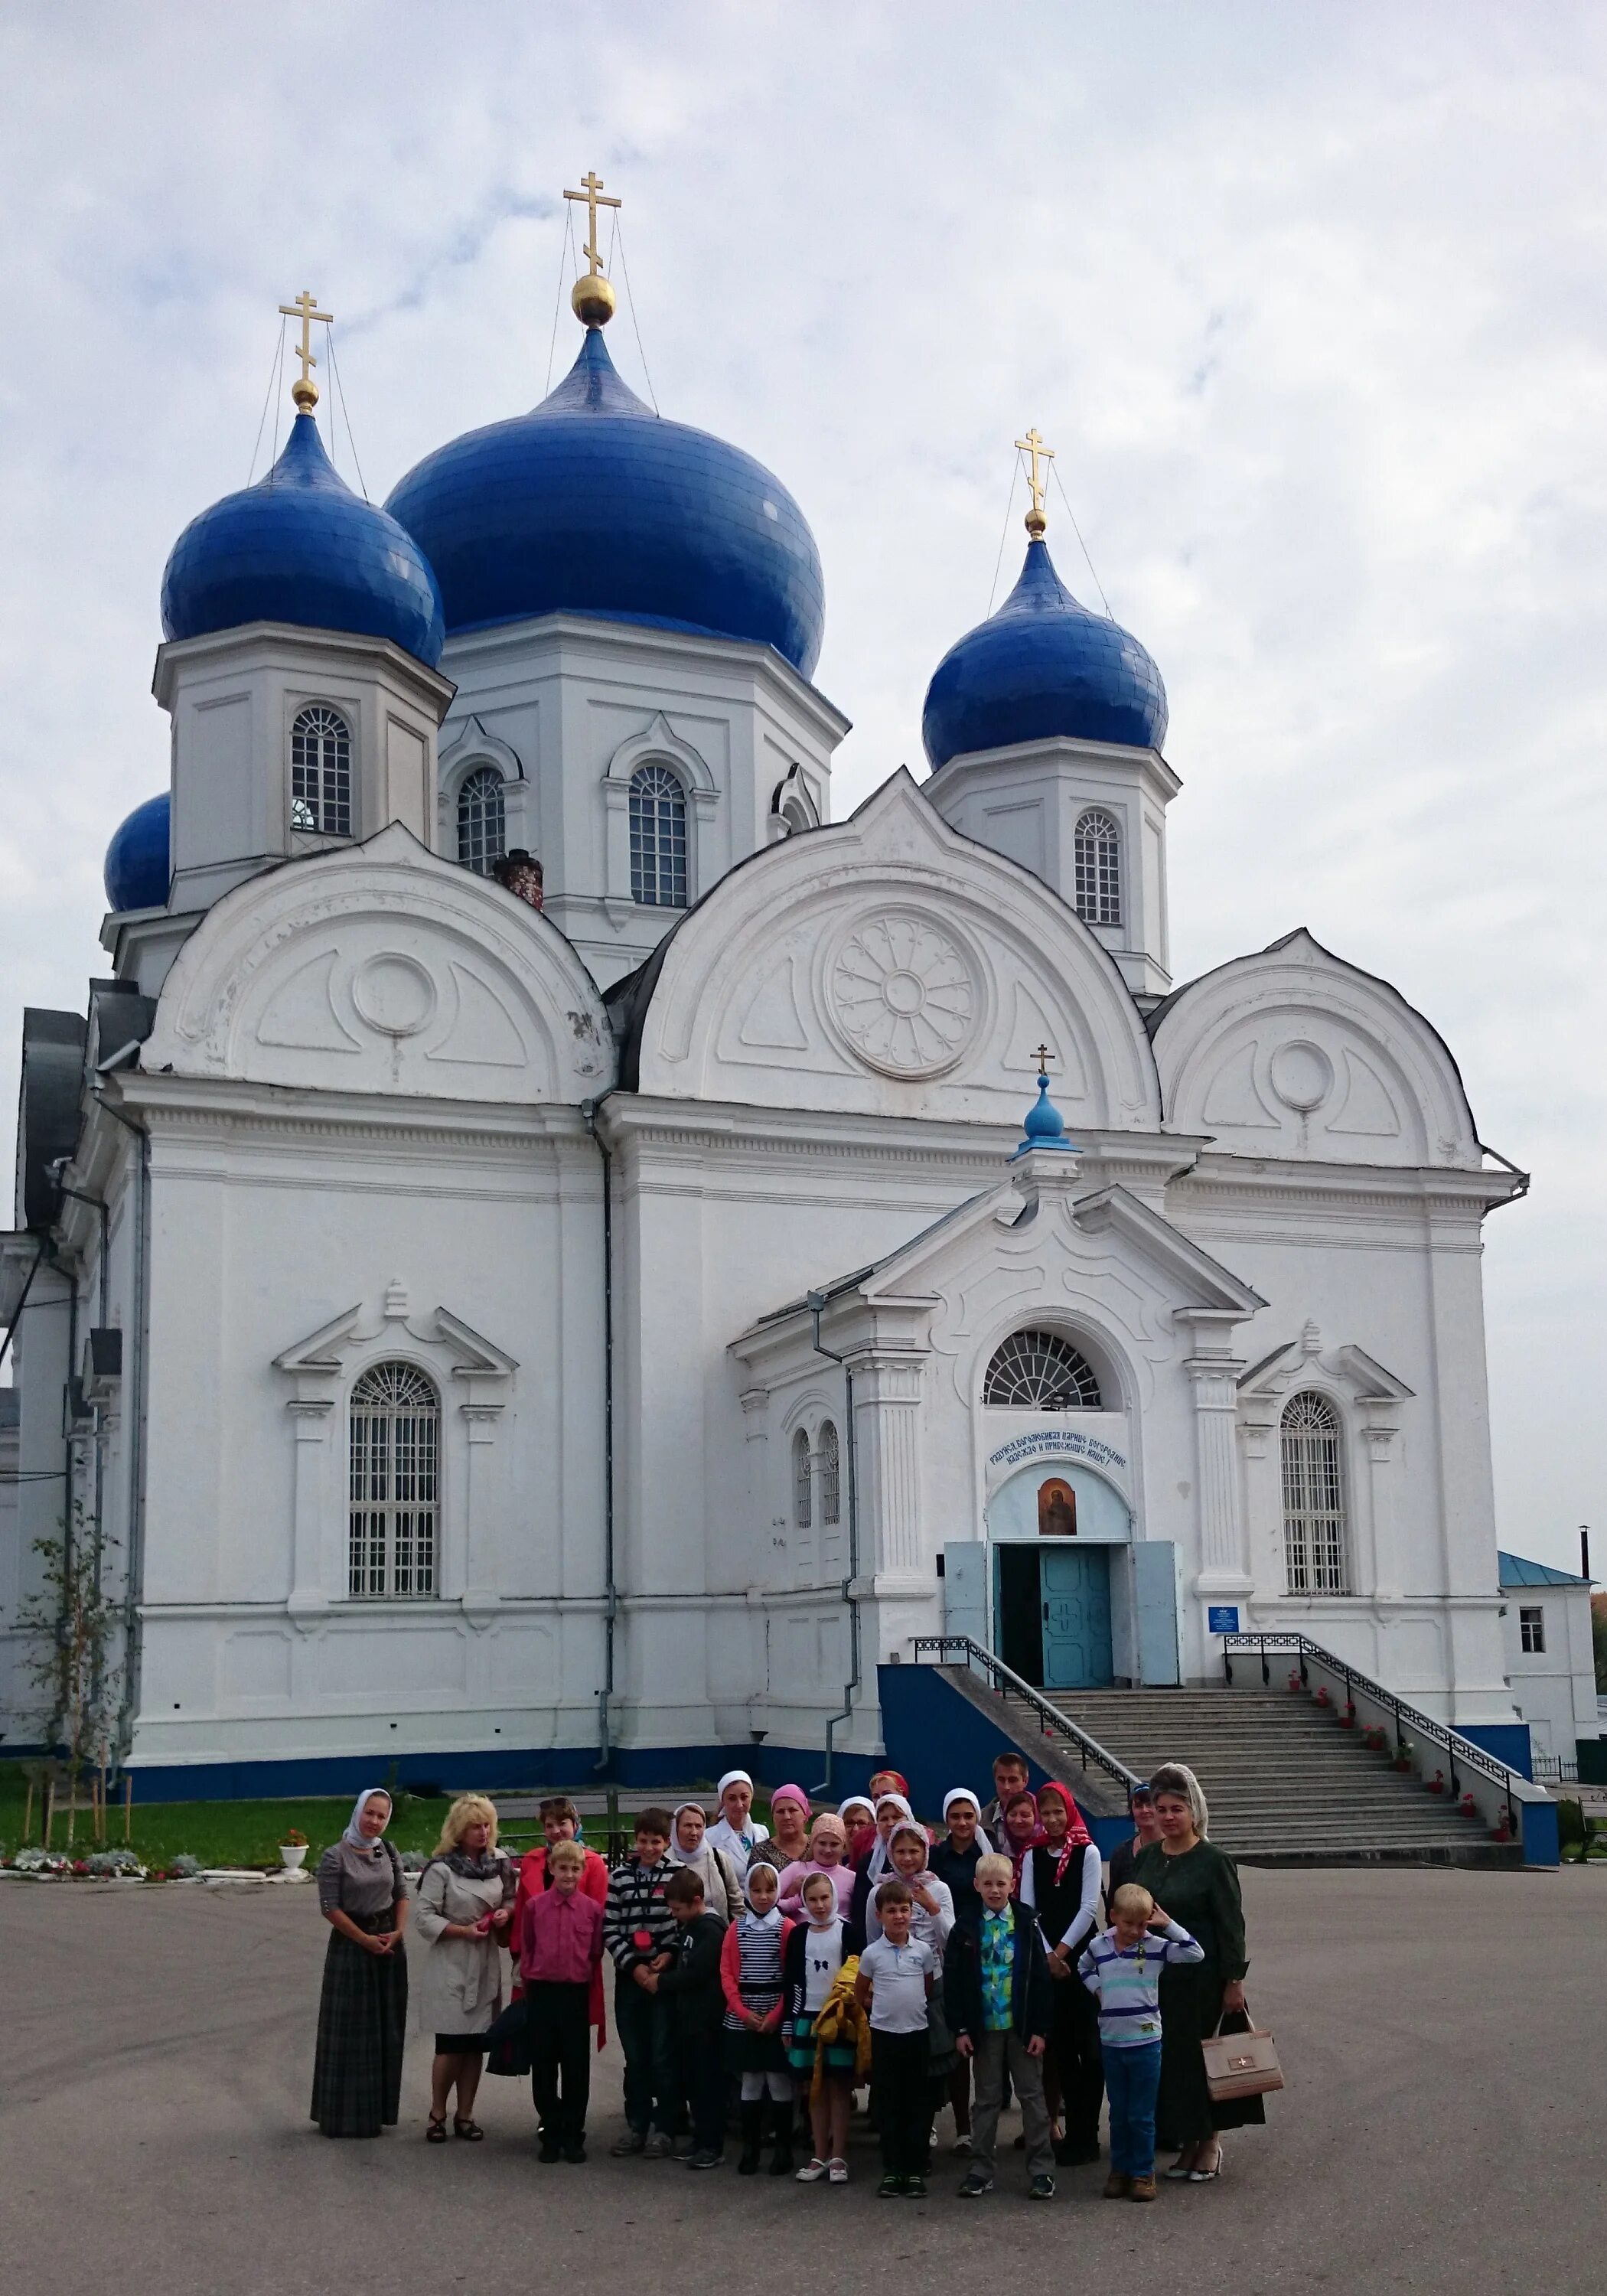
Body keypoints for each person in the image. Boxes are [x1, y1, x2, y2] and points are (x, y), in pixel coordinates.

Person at [1131, 1762, 1259, 2182]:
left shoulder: (1212, 1860)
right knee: (1174, 2063)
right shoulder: (1149, 1857)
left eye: (1177, 1809)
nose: (1168, 1817)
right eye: (1161, 1808)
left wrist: (1234, 1980)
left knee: (1205, 2059)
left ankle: (1211, 2144)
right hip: (1159, 1979)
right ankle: (1188, 2143)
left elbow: (1231, 1924)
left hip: (1203, 1980)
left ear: (1194, 1811)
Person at [1078, 1883, 1204, 2201]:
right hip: (1112, 2041)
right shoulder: (1100, 1946)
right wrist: (1098, 1990)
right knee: (1119, 2112)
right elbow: (1082, 1968)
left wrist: (1168, 1924)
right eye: (1128, 1923)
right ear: (1113, 1917)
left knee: (1141, 2114)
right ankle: (1119, 2169)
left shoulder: (1156, 1946)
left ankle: (1142, 2173)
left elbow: (1195, 1953)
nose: (1135, 1931)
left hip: (1146, 2041)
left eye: (1141, 1923)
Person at [944, 1851, 1055, 2201]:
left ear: (1013, 1885)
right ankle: (980, 2169)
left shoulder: (1026, 1923)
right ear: (976, 1885)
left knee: (1032, 2097)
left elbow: (1040, 1980)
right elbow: (954, 1982)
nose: (994, 1890)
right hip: (984, 2028)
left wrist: (1040, 2028)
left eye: (1001, 1884)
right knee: (987, 2100)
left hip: (1021, 2027)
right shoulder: (964, 1927)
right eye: (988, 1884)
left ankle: (1041, 2170)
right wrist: (960, 2029)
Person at [412, 1792, 515, 2143]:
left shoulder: (500, 1861)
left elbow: (512, 1897)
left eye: (487, 1825)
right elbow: (423, 1919)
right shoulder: (441, 1868)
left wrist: (506, 1913)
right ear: (459, 1829)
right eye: (475, 1826)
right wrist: (462, 1931)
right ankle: (437, 2113)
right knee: (450, 2043)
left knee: (476, 2043)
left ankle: (466, 2114)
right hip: (452, 1962)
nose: (483, 1832)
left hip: (485, 1960)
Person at [310, 1788, 409, 2138]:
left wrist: (397, 1932)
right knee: (351, 2033)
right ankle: (341, 2116)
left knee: (385, 2028)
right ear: (358, 1812)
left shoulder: (388, 1850)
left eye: (382, 1816)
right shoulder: (334, 1856)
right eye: (370, 1813)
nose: (375, 1821)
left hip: (389, 1944)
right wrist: (364, 1940)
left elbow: (401, 1893)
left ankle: (376, 2113)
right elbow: (330, 1907)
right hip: (353, 1947)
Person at [1028, 1781, 1104, 2166]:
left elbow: (1089, 1907)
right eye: (1047, 1813)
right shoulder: (1034, 1854)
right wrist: (1046, 1955)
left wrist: (1062, 1953)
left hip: (1083, 1962)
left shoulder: (1087, 1851)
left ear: (1070, 1810)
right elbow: (1028, 1908)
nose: (1054, 1819)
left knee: (1089, 2051)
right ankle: (1068, 2134)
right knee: (1059, 2053)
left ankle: (1086, 2134)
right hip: (1047, 1965)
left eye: (1059, 1811)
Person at [516, 1838, 605, 2161]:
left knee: (576, 2067)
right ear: (551, 1868)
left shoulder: (592, 1911)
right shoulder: (534, 1907)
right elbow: (528, 1946)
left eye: (575, 1869)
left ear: (583, 1871)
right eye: (563, 1868)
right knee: (543, 2066)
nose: (569, 1875)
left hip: (574, 1994)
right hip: (542, 1992)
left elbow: (595, 1953)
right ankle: (550, 2131)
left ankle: (573, 2133)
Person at [602, 1806, 680, 2157]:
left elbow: (684, 1925)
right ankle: (636, 2124)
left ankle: (665, 2128)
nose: (649, 1848)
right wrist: (633, 1966)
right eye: (644, 1841)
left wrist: (667, 1957)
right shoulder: (619, 1877)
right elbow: (610, 1928)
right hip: (630, 1976)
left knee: (664, 2054)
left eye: (657, 1842)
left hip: (663, 1977)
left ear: (666, 1842)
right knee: (635, 2055)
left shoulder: (678, 1874)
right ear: (636, 1841)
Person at [856, 1878, 937, 2198]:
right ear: (880, 1916)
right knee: (889, 2103)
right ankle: (893, 2170)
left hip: (916, 2035)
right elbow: (860, 1992)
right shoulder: (872, 1954)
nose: (899, 1916)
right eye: (892, 1911)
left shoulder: (923, 1951)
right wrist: (879, 2009)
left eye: (905, 1910)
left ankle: (915, 2169)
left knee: (917, 2102)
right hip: (885, 2037)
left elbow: (927, 1988)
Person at [647, 1869, 729, 2170]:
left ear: (696, 1901)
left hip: (708, 2021)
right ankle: (701, 2137)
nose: (674, 1914)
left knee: (708, 2084)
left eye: (677, 1909)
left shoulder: (711, 1929)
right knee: (695, 2082)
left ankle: (713, 2144)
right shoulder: (691, 1928)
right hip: (691, 2020)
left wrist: (663, 1982)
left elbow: (698, 1973)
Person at [721, 1856, 796, 2175]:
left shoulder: (787, 1928)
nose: (763, 1896)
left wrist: (778, 2015)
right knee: (750, 2081)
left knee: (778, 2081)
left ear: (778, 1891)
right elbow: (726, 1973)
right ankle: (750, 2148)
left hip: (775, 2011)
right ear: (748, 1892)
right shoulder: (736, 1929)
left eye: (769, 1890)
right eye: (756, 1890)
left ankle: (783, 2150)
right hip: (743, 2016)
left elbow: (792, 1977)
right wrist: (741, 2010)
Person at [784, 1869, 856, 2183]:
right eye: (812, 1899)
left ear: (834, 1897)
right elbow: (792, 1982)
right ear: (803, 1902)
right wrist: (789, 2024)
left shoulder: (849, 1933)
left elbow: (856, 1977)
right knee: (813, 2090)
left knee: (839, 2086)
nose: (820, 1905)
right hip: (806, 2019)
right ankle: (819, 2153)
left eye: (825, 1897)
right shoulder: (798, 1935)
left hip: (838, 2019)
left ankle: (839, 2155)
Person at [928, 1787, 986, 2153]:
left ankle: (975, 2126)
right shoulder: (937, 1856)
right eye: (955, 1816)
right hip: (949, 1952)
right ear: (947, 1820)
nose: (962, 1822)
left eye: (968, 1816)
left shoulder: (988, 1851)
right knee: (952, 2040)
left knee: (982, 2040)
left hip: (985, 1949)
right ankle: (952, 2125)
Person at [667, 1800, 743, 1921]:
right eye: (688, 1825)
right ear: (675, 1828)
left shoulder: (719, 1859)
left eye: (698, 1826)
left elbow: (736, 1904)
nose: (694, 1832)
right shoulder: (665, 1864)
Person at [776, 1809, 855, 1919]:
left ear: (843, 1847)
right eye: (822, 1843)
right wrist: (795, 1900)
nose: (827, 1850)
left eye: (834, 1844)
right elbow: (768, 1901)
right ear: (813, 1844)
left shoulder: (852, 1878)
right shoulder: (796, 1868)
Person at [707, 1769, 771, 1882]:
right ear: (723, 1801)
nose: (739, 1805)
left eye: (744, 1797)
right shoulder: (710, 1837)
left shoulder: (762, 1832)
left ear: (751, 1797)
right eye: (732, 1798)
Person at [1106, 1782, 1162, 1902]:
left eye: (1149, 1804)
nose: (1145, 1810)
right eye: (1138, 1806)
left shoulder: (1176, 1847)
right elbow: (1113, 1901)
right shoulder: (1121, 1853)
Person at [980, 1751, 1032, 1851]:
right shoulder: (980, 1821)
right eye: (1001, 1780)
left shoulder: (1042, 1819)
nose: (1006, 1787)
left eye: (1013, 1780)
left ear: (1025, 1781)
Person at [763, 1782, 813, 1876]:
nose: (787, 1817)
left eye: (792, 1810)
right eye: (780, 1812)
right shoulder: (762, 1852)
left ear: (805, 1815)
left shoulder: (818, 1847)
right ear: (773, 1817)